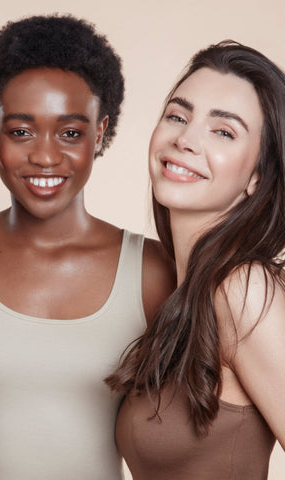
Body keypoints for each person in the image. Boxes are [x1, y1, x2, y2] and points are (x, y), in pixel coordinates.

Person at [0, 14, 174, 480]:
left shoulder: (153, 271)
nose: (46, 156)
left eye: (70, 132)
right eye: (21, 131)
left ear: (101, 131)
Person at [106, 40, 285, 479]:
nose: (185, 139)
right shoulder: (183, 291)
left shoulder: (242, 287)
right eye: (178, 116)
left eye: (223, 132)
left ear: (257, 176)